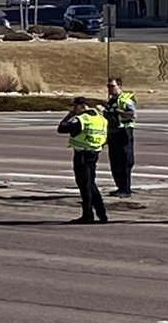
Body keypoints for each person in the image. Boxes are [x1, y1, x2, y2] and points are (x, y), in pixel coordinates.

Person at [57, 96, 109, 224]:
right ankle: (101, 213)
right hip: (94, 152)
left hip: (82, 154)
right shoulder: (101, 119)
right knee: (91, 183)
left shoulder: (81, 119)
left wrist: (70, 115)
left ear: (81, 107)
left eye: (75, 107)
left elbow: (62, 128)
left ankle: (88, 214)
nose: (73, 109)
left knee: (85, 185)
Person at [103, 77, 136, 198]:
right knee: (115, 162)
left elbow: (132, 115)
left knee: (125, 161)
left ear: (119, 86)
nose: (110, 89)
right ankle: (120, 187)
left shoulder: (126, 100)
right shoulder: (110, 101)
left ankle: (126, 188)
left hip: (124, 133)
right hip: (112, 134)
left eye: (112, 86)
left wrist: (119, 112)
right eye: (108, 86)